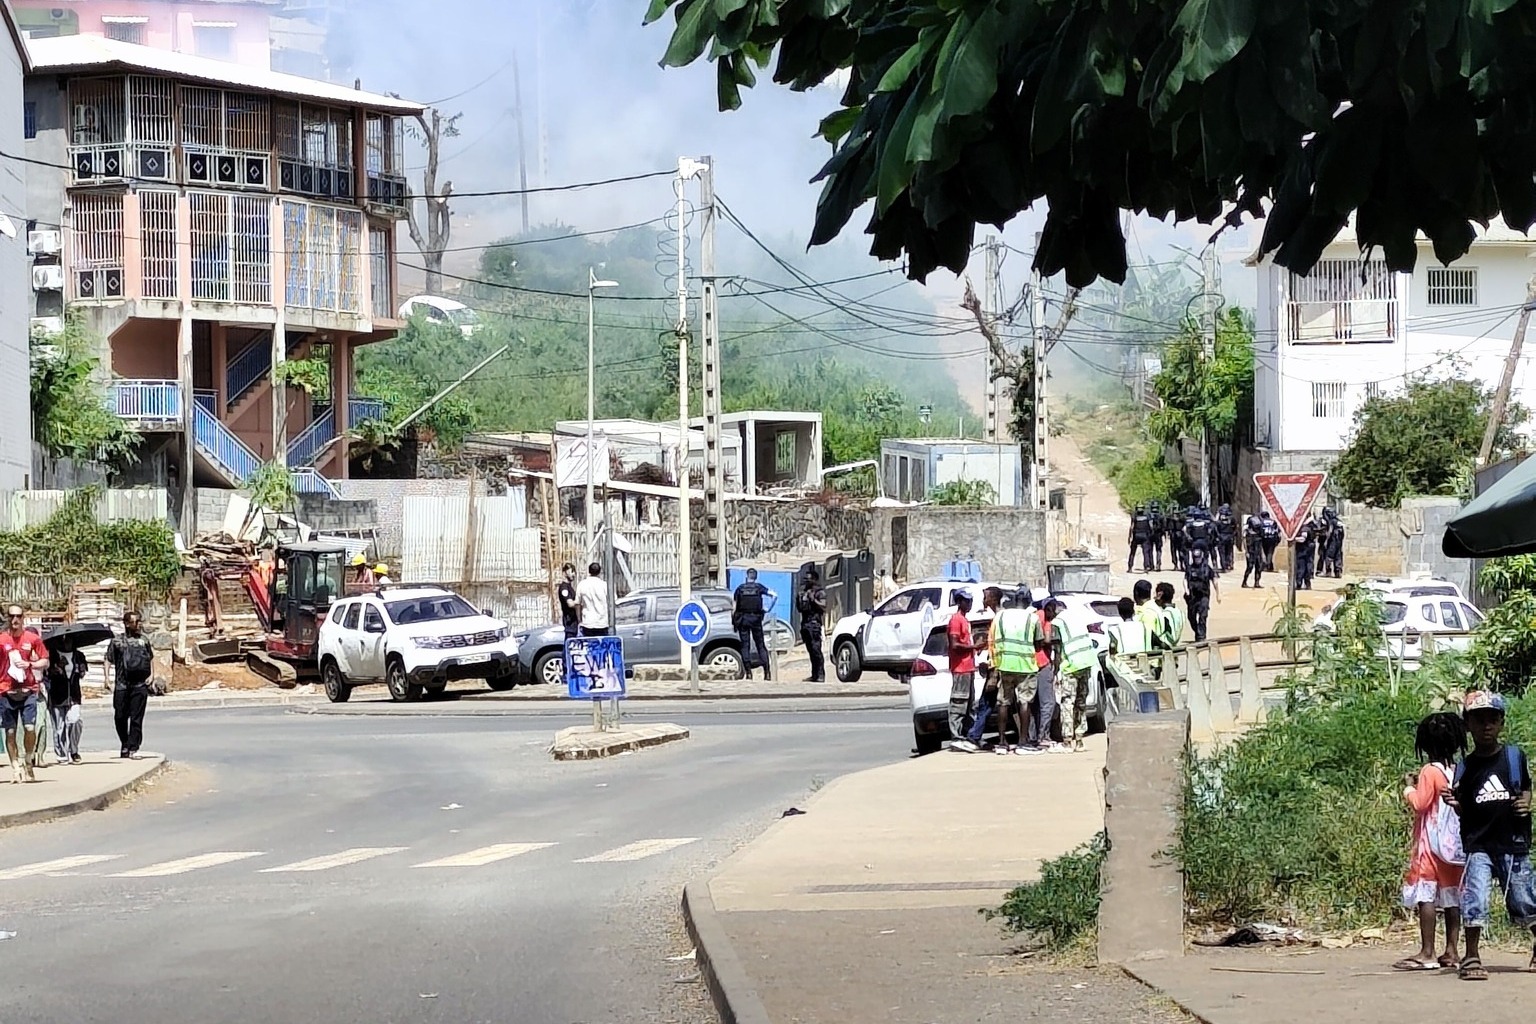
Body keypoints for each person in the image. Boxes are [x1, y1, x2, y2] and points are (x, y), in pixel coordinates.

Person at [1446, 691, 1536, 982]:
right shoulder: (1465, 767)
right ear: (1468, 725)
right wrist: (1455, 804)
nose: (1486, 726)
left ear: (1501, 723)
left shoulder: (1513, 757)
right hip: (1478, 845)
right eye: (1479, 720)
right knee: (1476, 897)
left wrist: (1526, 802)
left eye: (1492, 720)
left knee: (1524, 900)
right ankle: (1471, 955)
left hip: (1512, 843)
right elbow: (1464, 806)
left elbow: (1525, 788)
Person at [1395, 711, 1466, 972]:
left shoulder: (1429, 771)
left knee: (1426, 895)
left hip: (1430, 843)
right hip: (1453, 845)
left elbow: (1421, 804)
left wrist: (1408, 788)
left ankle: (1427, 952)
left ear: (1425, 745)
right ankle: (1452, 951)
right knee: (1451, 896)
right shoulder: (1457, 770)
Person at [981, 586, 1039, 754]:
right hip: (1025, 666)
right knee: (1024, 702)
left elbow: (993, 640)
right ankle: (1023, 742)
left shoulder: (1001, 616)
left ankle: (1001, 742)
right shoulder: (1032, 618)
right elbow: (1039, 641)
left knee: (1003, 702)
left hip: (1005, 665)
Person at [0, 606, 47, 783]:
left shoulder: (32, 638)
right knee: (10, 732)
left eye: (18, 616)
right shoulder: (2, 640)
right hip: (6, 691)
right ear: (7, 618)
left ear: (23, 618)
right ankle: (15, 767)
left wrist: (30, 665)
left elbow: (45, 660)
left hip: (28, 690)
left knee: (30, 728)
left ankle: (28, 760)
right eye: (12, 616)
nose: (15, 620)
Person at [104, 611, 154, 759]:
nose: (138, 624)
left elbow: (151, 657)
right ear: (126, 624)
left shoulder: (143, 640)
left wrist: (152, 675)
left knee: (136, 718)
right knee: (120, 716)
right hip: (122, 684)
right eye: (134, 622)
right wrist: (107, 678)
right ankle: (124, 743)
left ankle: (133, 747)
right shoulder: (117, 641)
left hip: (140, 684)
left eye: (139, 621)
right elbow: (108, 659)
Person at [1054, 601, 1098, 751]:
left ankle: (1067, 741)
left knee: (1067, 703)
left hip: (1070, 666)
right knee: (1081, 702)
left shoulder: (1058, 622)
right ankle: (1079, 740)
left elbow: (1057, 648)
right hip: (1086, 662)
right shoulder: (1078, 616)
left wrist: (1056, 670)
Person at [944, 590, 978, 751]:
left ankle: (968, 736)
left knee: (970, 705)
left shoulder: (965, 620)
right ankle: (956, 736)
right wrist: (973, 646)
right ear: (959, 602)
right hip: (960, 668)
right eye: (966, 601)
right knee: (959, 702)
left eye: (970, 601)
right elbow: (954, 645)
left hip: (969, 668)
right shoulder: (956, 620)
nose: (969, 604)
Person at [45, 637, 86, 766]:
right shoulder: (52, 655)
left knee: (75, 720)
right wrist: (57, 667)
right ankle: (62, 754)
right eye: (64, 639)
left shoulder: (79, 655)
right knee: (59, 727)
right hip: (57, 696)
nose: (67, 642)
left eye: (70, 639)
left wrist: (81, 670)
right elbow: (47, 673)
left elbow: (82, 673)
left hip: (74, 695)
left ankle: (74, 750)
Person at [732, 568, 776, 680]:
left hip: (743, 619)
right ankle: (767, 673)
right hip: (756, 619)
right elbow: (774, 595)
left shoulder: (740, 589)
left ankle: (748, 673)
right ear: (756, 577)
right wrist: (767, 608)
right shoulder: (759, 588)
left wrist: (734, 621)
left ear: (746, 576)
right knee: (760, 645)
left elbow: (734, 607)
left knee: (745, 646)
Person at [1183, 547, 1219, 643]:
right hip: (1192, 597)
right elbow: (1185, 579)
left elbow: (1214, 580)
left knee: (1203, 616)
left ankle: (1201, 636)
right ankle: (1198, 632)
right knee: (1191, 617)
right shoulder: (1190, 568)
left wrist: (1218, 594)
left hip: (1203, 596)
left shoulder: (1207, 568)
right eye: (1195, 558)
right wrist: (1186, 590)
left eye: (1198, 558)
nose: (1197, 560)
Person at [798, 568, 827, 683]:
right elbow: (800, 608)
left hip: (814, 624)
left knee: (816, 650)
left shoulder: (819, 592)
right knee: (810, 650)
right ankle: (814, 674)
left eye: (809, 579)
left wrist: (813, 599)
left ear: (814, 580)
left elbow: (823, 606)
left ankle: (820, 674)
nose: (806, 581)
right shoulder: (803, 592)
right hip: (805, 623)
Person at [575, 562, 611, 638]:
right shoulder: (604, 585)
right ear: (600, 572)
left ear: (589, 571)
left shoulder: (582, 584)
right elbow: (612, 602)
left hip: (587, 622)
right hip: (602, 623)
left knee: (588, 644)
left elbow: (577, 604)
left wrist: (579, 621)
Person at [1151, 582, 1185, 652]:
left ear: (1159, 594)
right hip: (1175, 647)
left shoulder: (1164, 614)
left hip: (1164, 649)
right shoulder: (1180, 612)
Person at [1241, 514, 1266, 589]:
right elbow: (1244, 542)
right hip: (1250, 552)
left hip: (1258, 552)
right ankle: (1244, 582)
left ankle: (1257, 582)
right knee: (1250, 567)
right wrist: (1246, 552)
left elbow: (1261, 544)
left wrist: (1262, 554)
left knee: (1259, 567)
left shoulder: (1259, 534)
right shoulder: (1247, 533)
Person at [1294, 515, 1318, 591]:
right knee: (1308, 566)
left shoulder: (1305, 528)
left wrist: (1293, 539)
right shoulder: (1312, 526)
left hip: (1303, 549)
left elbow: (1303, 539)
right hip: (1309, 549)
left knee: (1301, 566)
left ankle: (1299, 583)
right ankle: (1307, 584)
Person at [199, 556, 223, 633]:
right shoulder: (204, 573)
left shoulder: (209, 572)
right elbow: (203, 582)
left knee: (212, 604)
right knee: (208, 605)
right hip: (207, 591)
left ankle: (214, 621)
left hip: (211, 591)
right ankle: (210, 620)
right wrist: (208, 591)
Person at [556, 562, 580, 639]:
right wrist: (580, 602)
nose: (574, 574)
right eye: (571, 571)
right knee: (570, 642)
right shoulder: (564, 588)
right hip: (569, 622)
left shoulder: (569, 587)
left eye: (574, 572)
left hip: (574, 622)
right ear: (564, 573)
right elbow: (570, 603)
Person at [1127, 504, 1153, 572]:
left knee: (1132, 552)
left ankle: (1130, 567)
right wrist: (1150, 535)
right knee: (1145, 552)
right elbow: (1151, 526)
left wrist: (1129, 537)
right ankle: (1146, 567)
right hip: (1145, 536)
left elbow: (1131, 527)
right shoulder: (1147, 516)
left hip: (1136, 536)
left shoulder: (1135, 516)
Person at [1215, 504, 1237, 573]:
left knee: (1222, 553)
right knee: (1229, 552)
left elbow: (1216, 528)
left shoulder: (1219, 520)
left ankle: (1224, 567)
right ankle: (1229, 564)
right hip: (1230, 537)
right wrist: (1233, 535)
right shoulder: (1232, 518)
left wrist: (1218, 536)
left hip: (1222, 537)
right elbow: (1235, 528)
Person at [1165, 504, 1187, 571]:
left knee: (1176, 550)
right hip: (1177, 535)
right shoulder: (1180, 518)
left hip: (1176, 535)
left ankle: (1178, 564)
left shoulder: (1175, 518)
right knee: (1177, 550)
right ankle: (1178, 564)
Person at [1148, 501, 1166, 572]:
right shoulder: (1161, 515)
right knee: (1158, 550)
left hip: (1150, 535)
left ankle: (1151, 565)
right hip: (1158, 535)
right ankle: (1158, 564)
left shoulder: (1149, 515)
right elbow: (1164, 526)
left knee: (1150, 550)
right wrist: (1163, 534)